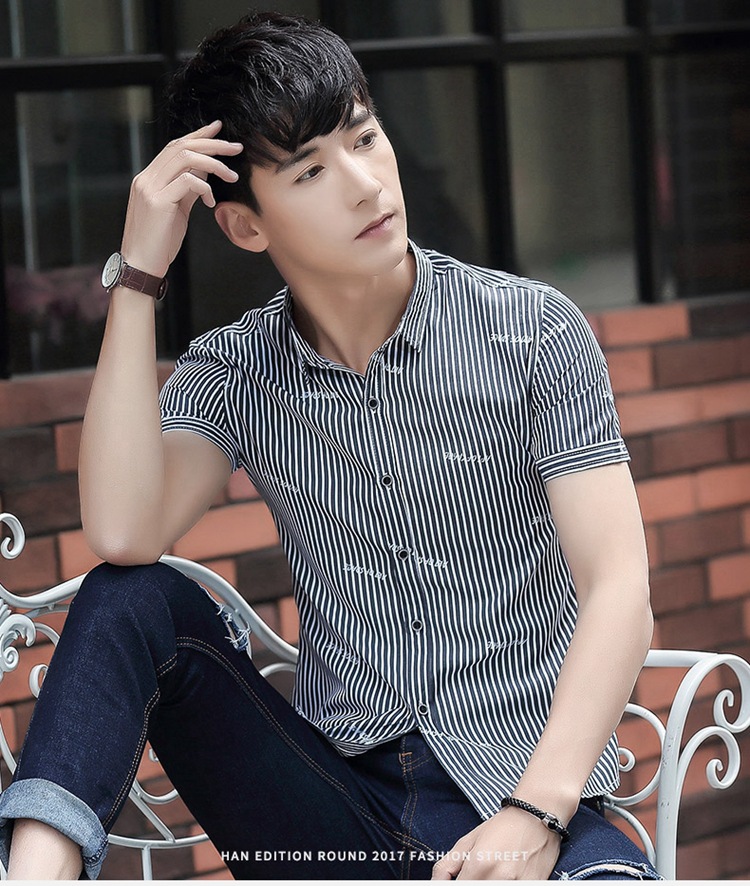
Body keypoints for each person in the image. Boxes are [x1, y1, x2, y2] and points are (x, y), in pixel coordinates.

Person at [0, 11, 661, 881]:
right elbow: (124, 533)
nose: (363, 184)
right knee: (129, 598)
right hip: (333, 817)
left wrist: (535, 812)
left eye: (365, 137)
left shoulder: (531, 331)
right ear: (246, 227)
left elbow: (621, 590)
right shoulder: (239, 369)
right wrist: (137, 277)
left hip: (529, 799)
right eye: (310, 170)